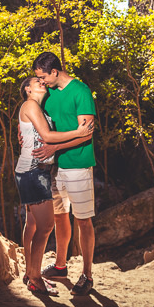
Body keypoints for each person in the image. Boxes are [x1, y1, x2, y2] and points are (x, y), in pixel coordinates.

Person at [15, 75, 93, 295]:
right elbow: (48, 136)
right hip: (33, 172)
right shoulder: (31, 104)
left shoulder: (38, 108)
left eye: (42, 78)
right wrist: (79, 133)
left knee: (32, 224)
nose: (41, 81)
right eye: (35, 81)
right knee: (46, 226)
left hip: (33, 170)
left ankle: (30, 273)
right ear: (27, 89)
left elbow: (31, 134)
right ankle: (35, 277)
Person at [31, 51, 98, 296]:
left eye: (43, 77)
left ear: (55, 72)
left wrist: (54, 146)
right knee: (60, 216)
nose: (41, 82)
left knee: (83, 220)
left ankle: (87, 274)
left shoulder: (80, 91)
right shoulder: (47, 95)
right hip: (53, 167)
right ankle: (60, 266)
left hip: (78, 164)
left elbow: (87, 132)